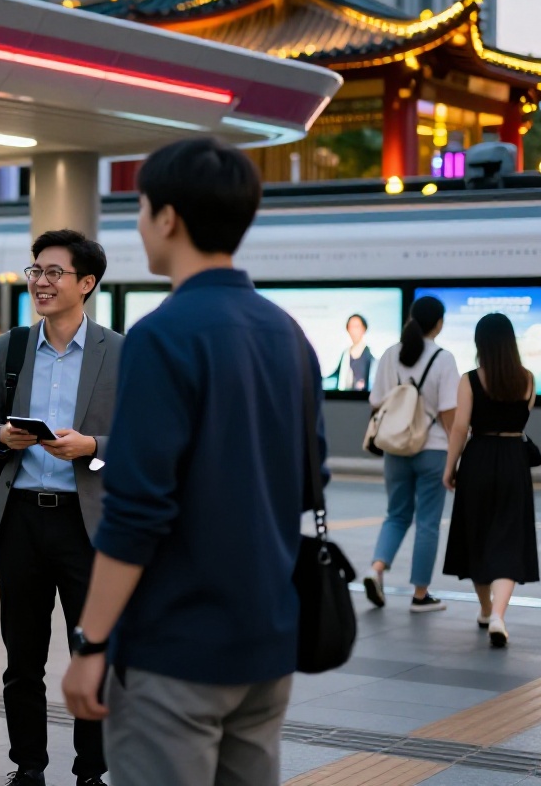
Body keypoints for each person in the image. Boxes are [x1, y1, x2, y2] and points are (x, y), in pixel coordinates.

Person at [61, 137, 327, 785]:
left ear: (169, 218)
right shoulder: (285, 332)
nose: (139, 222)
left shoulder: (162, 334)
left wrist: (91, 642)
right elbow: (307, 481)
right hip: (266, 641)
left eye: (142, 206)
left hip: (176, 649)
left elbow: (136, 509)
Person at [0, 228, 121, 786]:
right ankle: (27, 767)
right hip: (21, 520)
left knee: (92, 650)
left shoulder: (119, 352)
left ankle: (90, 772)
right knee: (23, 658)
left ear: (87, 283)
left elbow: (147, 440)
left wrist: (93, 446)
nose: (41, 281)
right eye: (36, 271)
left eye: (55, 272)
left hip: (88, 524)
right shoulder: (10, 348)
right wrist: (1, 437)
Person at [443, 312, 539, 649]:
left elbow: (459, 427)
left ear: (480, 343)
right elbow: (524, 417)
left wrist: (449, 466)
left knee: (477, 535)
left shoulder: (470, 380)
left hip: (479, 458)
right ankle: (498, 614)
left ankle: (485, 608)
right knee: (509, 538)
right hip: (514, 458)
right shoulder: (528, 379)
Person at [363, 295, 459, 613]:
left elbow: (376, 401)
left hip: (395, 446)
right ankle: (420, 595)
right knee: (428, 522)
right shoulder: (444, 359)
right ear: (439, 323)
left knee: (396, 514)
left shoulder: (391, 354)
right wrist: (456, 453)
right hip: (432, 449)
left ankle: (376, 569)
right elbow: (449, 413)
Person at [335, 313, 375, 390]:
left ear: (364, 329)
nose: (353, 331)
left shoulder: (369, 355)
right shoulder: (345, 354)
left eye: (356, 327)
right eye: (351, 327)